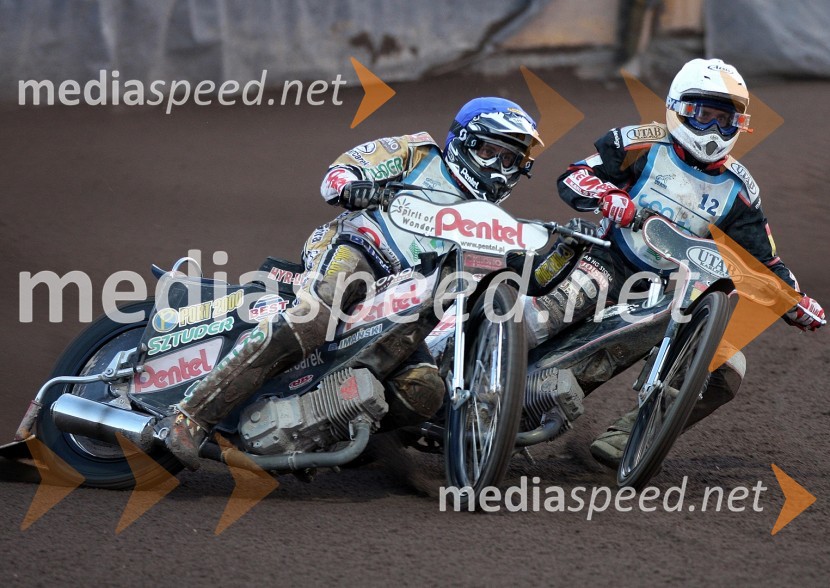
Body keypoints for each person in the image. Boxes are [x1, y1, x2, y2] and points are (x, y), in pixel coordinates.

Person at [163, 97, 544, 470]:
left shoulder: (494, 223)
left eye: (510, 160)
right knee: (313, 318)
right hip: (360, 248)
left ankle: (336, 431)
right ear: (465, 141)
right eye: (492, 152)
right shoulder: (417, 153)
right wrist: (355, 188)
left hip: (404, 296)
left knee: (424, 388)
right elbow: (337, 175)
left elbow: (527, 283)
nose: (499, 168)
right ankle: (190, 417)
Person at [524, 58, 825, 469]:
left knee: (726, 371)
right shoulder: (641, 144)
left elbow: (764, 259)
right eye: (705, 114)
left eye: (727, 119)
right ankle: (480, 377)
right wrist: (607, 196)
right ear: (680, 109)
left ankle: (629, 439)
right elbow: (575, 174)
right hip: (608, 260)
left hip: (672, 292)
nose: (716, 129)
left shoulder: (739, 189)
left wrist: (795, 300)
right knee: (539, 321)